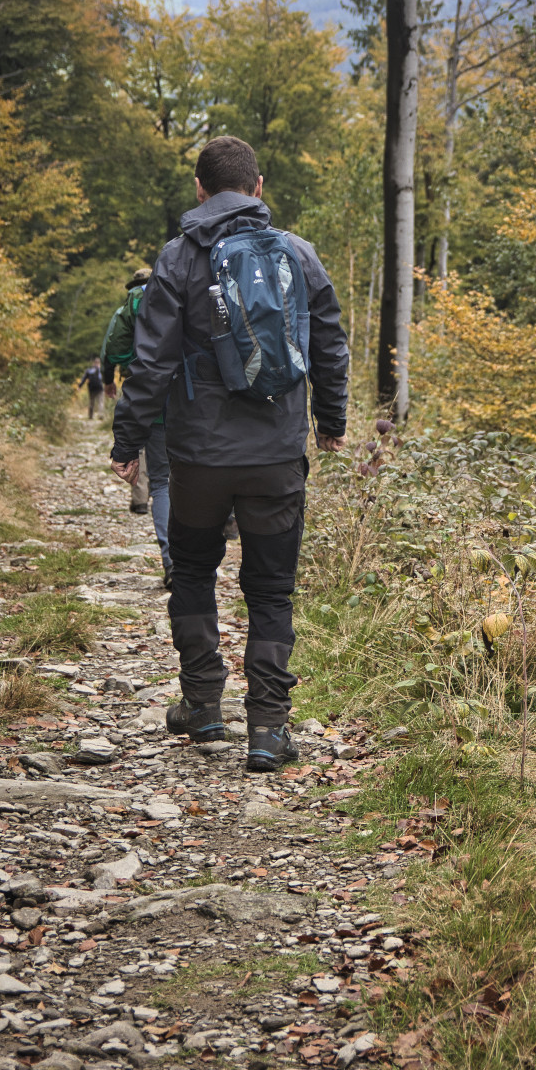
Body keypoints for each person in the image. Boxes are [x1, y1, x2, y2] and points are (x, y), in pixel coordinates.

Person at [109, 136, 348, 773]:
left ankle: (204, 706)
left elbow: (150, 362)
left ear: (200, 191)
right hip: (275, 454)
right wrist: (332, 422)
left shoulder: (178, 258)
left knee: (191, 571)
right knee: (271, 590)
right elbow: (330, 341)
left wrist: (127, 442)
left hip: (197, 462)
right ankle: (268, 730)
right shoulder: (298, 254)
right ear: (259, 187)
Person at [100, 267, 173, 587]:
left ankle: (172, 562)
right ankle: (215, 542)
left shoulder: (126, 309)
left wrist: (111, 377)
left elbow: (112, 351)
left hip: (149, 400)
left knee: (161, 482)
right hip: (191, 399)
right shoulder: (179, 295)